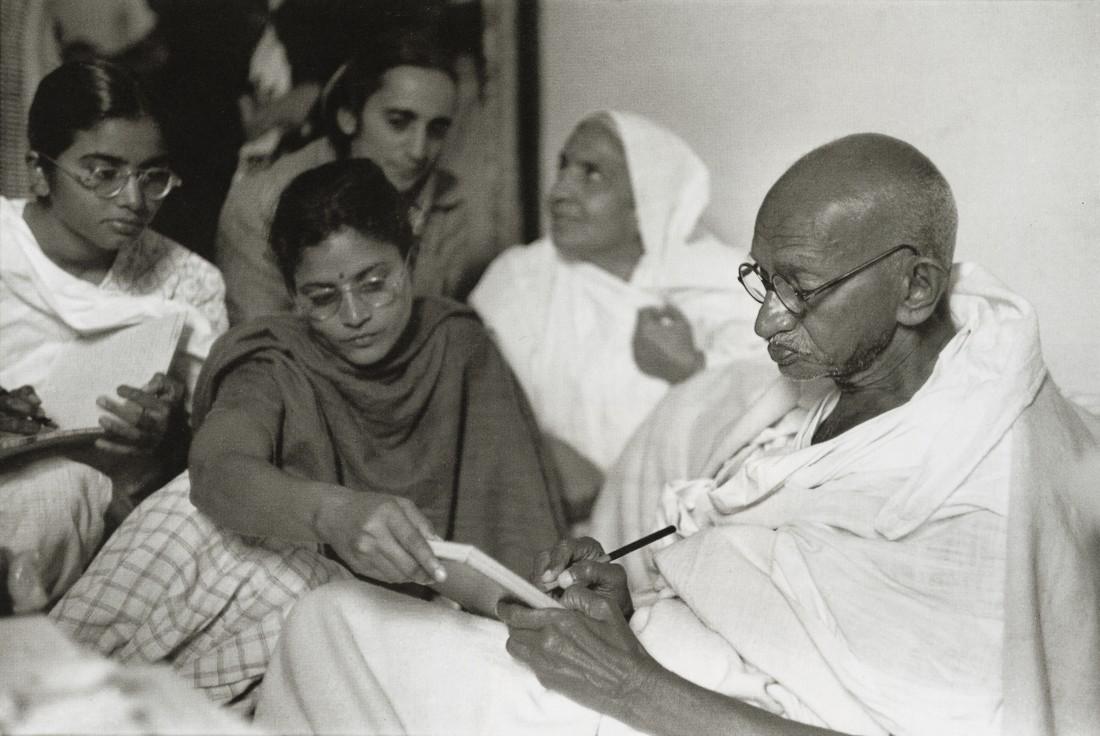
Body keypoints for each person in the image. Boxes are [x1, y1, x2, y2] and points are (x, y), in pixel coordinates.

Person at [254, 134, 1100, 736]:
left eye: (797, 290)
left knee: (331, 633)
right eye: (761, 281)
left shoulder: (990, 496)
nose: (768, 320)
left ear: (915, 287)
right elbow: (764, 560)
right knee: (330, 622)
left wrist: (626, 681)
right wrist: (628, 589)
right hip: (650, 664)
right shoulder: (842, 387)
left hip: (665, 709)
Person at [50, 158, 567, 708]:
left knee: (304, 593)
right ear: (294, 296)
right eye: (322, 296)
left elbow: (519, 533)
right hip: (292, 612)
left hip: (428, 622)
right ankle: (42, 693)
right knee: (197, 520)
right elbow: (215, 472)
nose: (354, 314)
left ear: (410, 261)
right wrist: (336, 515)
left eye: (374, 284)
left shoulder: (460, 347)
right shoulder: (273, 356)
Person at [0, 59, 226, 606]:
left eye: (152, 176)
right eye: (104, 173)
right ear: (39, 171)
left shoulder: (188, 283)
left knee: (65, 489)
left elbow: (219, 448)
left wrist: (168, 434)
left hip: (102, 526)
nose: (133, 199)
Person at [469, 110, 761, 517]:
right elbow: (477, 405)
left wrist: (695, 370)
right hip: (542, 516)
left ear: (646, 204)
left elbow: (776, 415)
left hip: (688, 522)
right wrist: (540, 453)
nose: (560, 191)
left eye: (592, 175)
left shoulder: (724, 283)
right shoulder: (521, 279)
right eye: (563, 167)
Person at [216, 25, 486, 324]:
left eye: (436, 129)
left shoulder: (449, 201)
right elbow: (261, 350)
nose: (419, 151)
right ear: (348, 117)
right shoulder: (260, 206)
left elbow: (435, 332)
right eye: (398, 122)